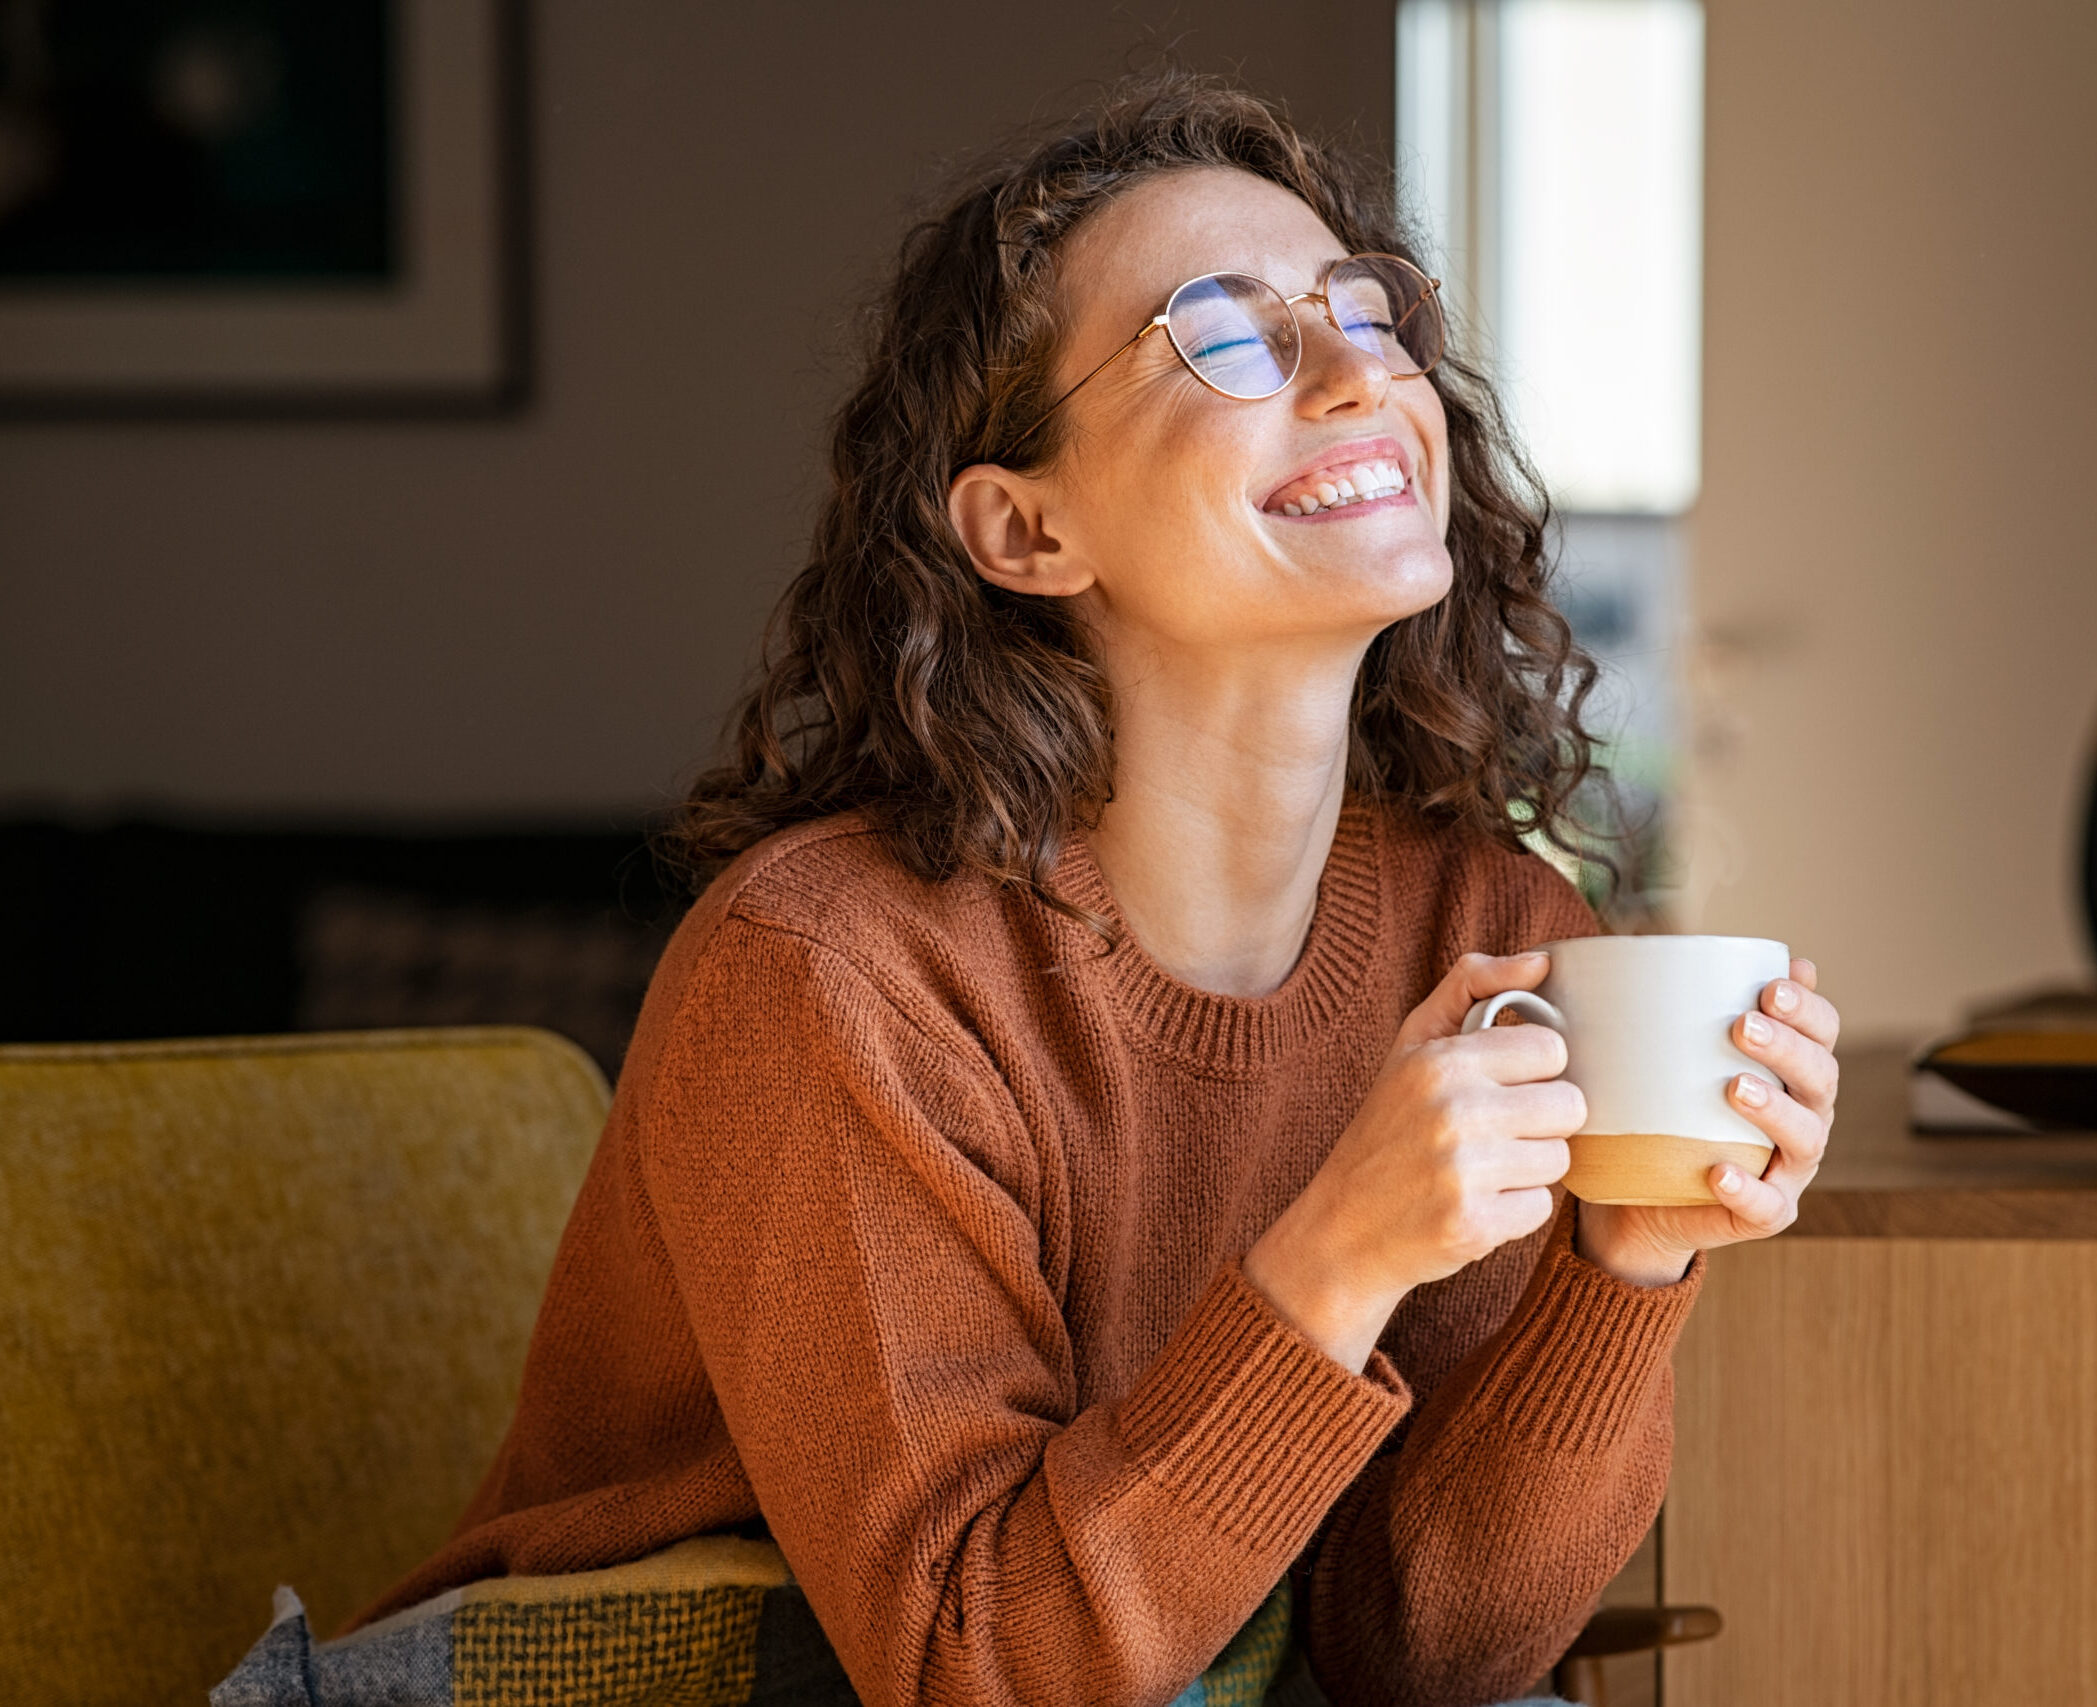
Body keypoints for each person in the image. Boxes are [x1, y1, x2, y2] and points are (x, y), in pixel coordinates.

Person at [358, 74, 1840, 1707]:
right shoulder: (830, 972)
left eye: (1369, 310)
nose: (1358, 372)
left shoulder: (1488, 938)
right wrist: (1332, 1259)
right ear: (1024, 528)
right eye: (1224, 335)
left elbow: (1416, 1663)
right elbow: (967, 1667)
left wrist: (1620, 1268)